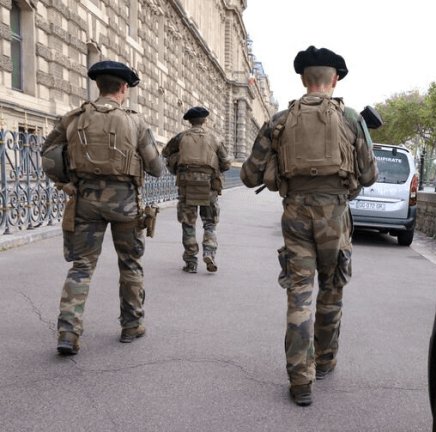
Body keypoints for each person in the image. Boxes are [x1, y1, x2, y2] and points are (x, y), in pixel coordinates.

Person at [241, 46, 377, 406]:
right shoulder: (351, 118)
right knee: (332, 288)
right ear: (334, 80)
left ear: (304, 80)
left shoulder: (279, 120)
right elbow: (370, 174)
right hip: (335, 214)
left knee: (299, 292)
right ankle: (326, 359)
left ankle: (300, 379)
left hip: (295, 214)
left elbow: (248, 175)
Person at [41, 60, 165, 355]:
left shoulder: (73, 118)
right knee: (131, 264)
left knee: (81, 267)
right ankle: (131, 324)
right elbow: (157, 168)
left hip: (85, 201)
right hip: (125, 204)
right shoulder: (135, 121)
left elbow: (47, 155)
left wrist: (66, 185)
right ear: (124, 88)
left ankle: (68, 331)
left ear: (99, 86)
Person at [162, 107, 232, 273]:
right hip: (209, 187)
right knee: (209, 223)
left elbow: (165, 152)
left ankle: (191, 262)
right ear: (204, 121)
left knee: (188, 223)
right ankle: (209, 252)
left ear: (189, 121)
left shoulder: (181, 137)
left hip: (186, 186)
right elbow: (227, 163)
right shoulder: (214, 138)